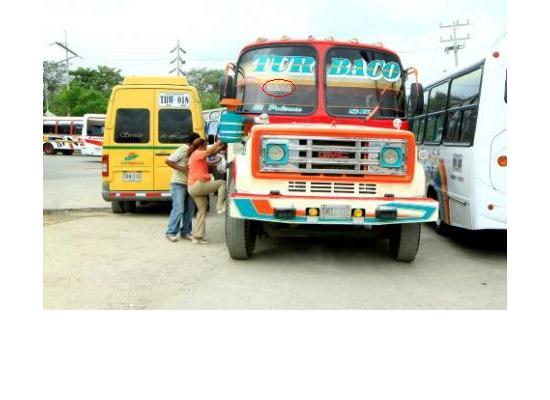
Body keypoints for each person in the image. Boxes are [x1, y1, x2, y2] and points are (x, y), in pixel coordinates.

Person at [187, 138, 227, 244]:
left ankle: (197, 237)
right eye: (205, 144)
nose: (206, 146)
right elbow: (209, 152)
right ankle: (220, 206)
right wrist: (219, 142)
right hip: (198, 185)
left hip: (193, 188)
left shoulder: (197, 155)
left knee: (201, 211)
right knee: (222, 183)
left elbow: (211, 154)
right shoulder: (197, 153)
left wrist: (220, 148)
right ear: (200, 145)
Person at [164, 132, 201, 242]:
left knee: (190, 209)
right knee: (179, 208)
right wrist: (183, 169)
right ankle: (171, 232)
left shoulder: (195, 151)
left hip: (190, 184)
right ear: (193, 142)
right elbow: (168, 161)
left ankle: (186, 232)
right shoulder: (183, 149)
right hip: (178, 184)